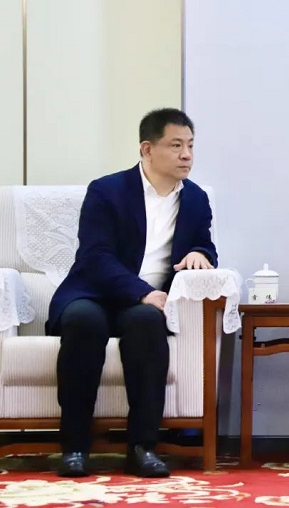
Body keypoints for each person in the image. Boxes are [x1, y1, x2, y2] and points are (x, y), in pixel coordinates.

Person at [47, 108, 217, 478]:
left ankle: (143, 447)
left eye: (190, 145)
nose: (187, 155)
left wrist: (199, 253)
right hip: (94, 293)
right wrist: (141, 292)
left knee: (147, 324)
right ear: (147, 149)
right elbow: (95, 256)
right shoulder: (106, 190)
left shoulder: (196, 199)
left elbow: (206, 246)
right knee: (82, 322)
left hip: (145, 304)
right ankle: (74, 447)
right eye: (176, 145)